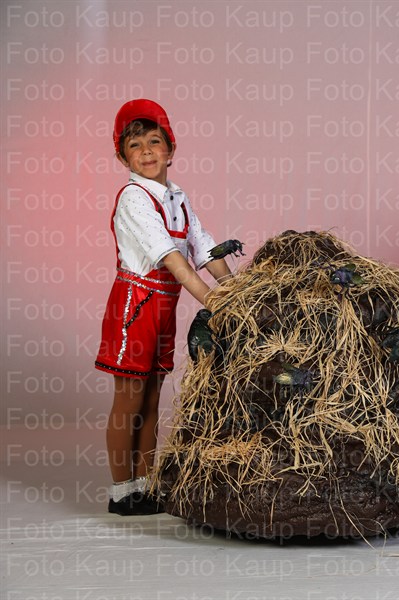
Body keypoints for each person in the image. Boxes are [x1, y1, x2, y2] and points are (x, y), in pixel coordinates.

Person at [94, 99, 232, 515]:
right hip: (135, 307)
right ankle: (122, 491)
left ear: (171, 150)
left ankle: (146, 483)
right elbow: (173, 258)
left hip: (164, 307)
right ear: (123, 158)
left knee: (152, 397)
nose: (147, 151)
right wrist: (216, 301)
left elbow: (204, 248)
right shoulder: (134, 198)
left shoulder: (177, 197)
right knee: (130, 399)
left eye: (155, 141)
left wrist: (238, 290)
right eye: (135, 145)